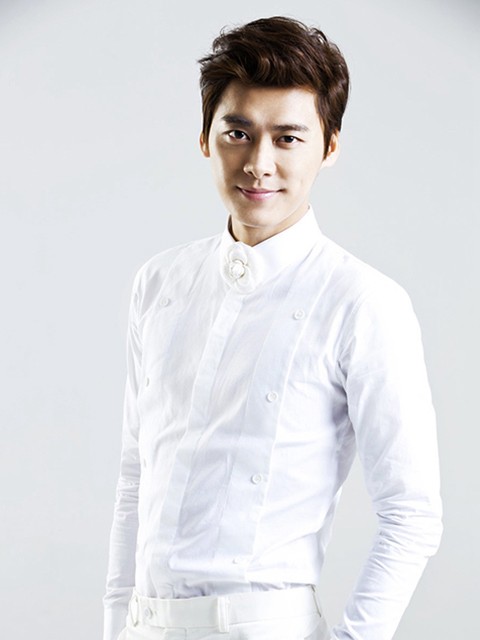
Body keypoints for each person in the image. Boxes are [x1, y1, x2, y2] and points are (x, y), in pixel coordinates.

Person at [103, 16, 443, 640]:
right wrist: (114, 627)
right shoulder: (159, 283)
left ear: (329, 146)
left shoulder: (362, 302)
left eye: (288, 138)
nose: (259, 164)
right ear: (205, 138)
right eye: (238, 133)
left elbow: (412, 514)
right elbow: (135, 479)